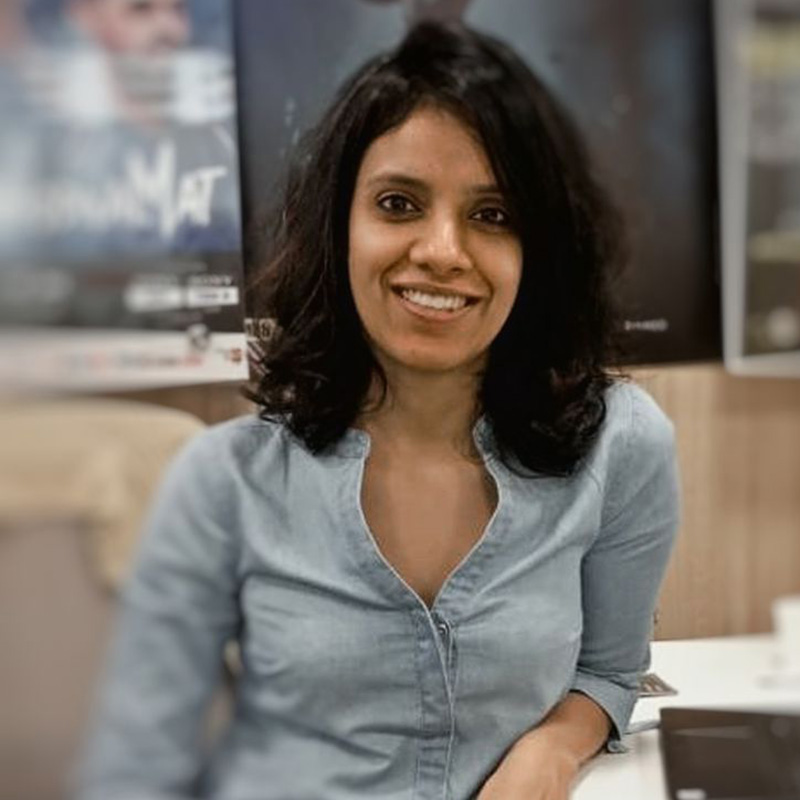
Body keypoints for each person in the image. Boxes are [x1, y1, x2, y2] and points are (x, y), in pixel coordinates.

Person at [78, 20, 680, 800]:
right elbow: (137, 769)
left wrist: (549, 753)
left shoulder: (622, 445)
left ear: (539, 252)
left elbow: (608, 671)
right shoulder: (221, 481)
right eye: (399, 204)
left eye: (494, 215)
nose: (442, 251)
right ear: (340, 228)